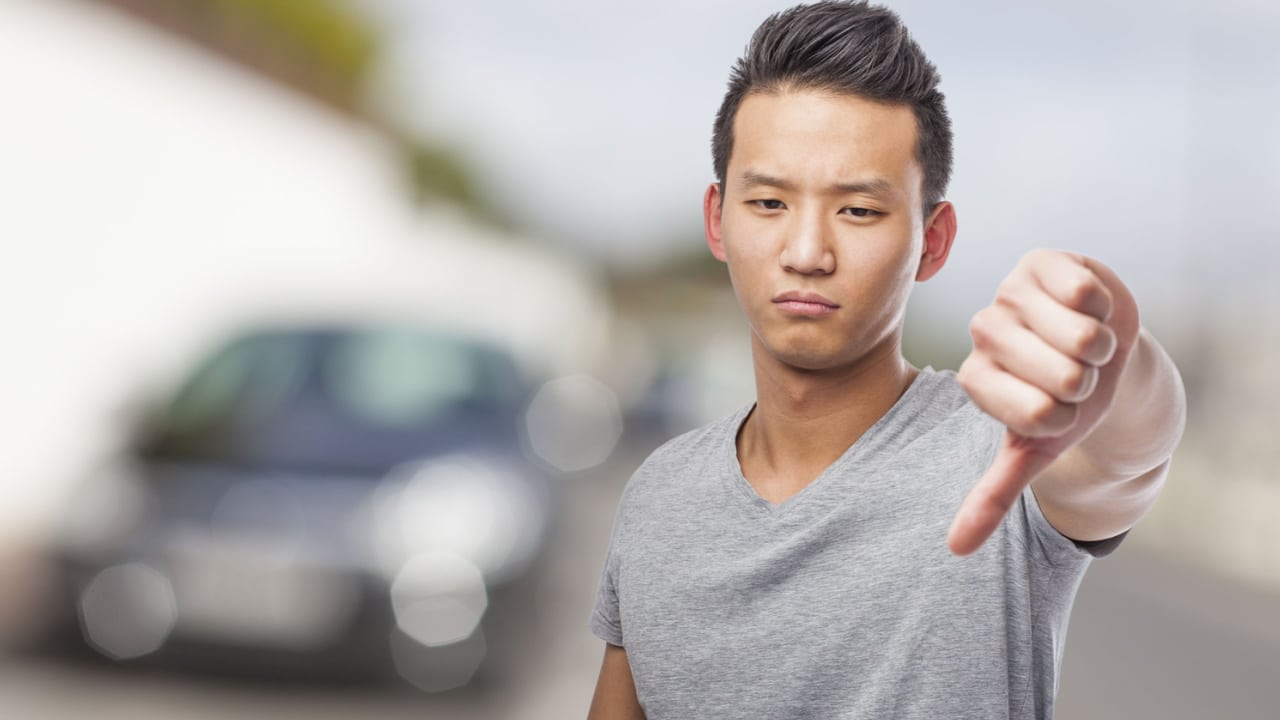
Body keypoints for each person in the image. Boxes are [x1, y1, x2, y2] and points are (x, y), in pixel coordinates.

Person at [586, 2, 1186, 718]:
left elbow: (1126, 448)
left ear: (933, 241)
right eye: (770, 202)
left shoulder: (998, 458)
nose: (807, 253)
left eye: (859, 211)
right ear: (718, 219)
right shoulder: (659, 497)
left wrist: (1109, 351)